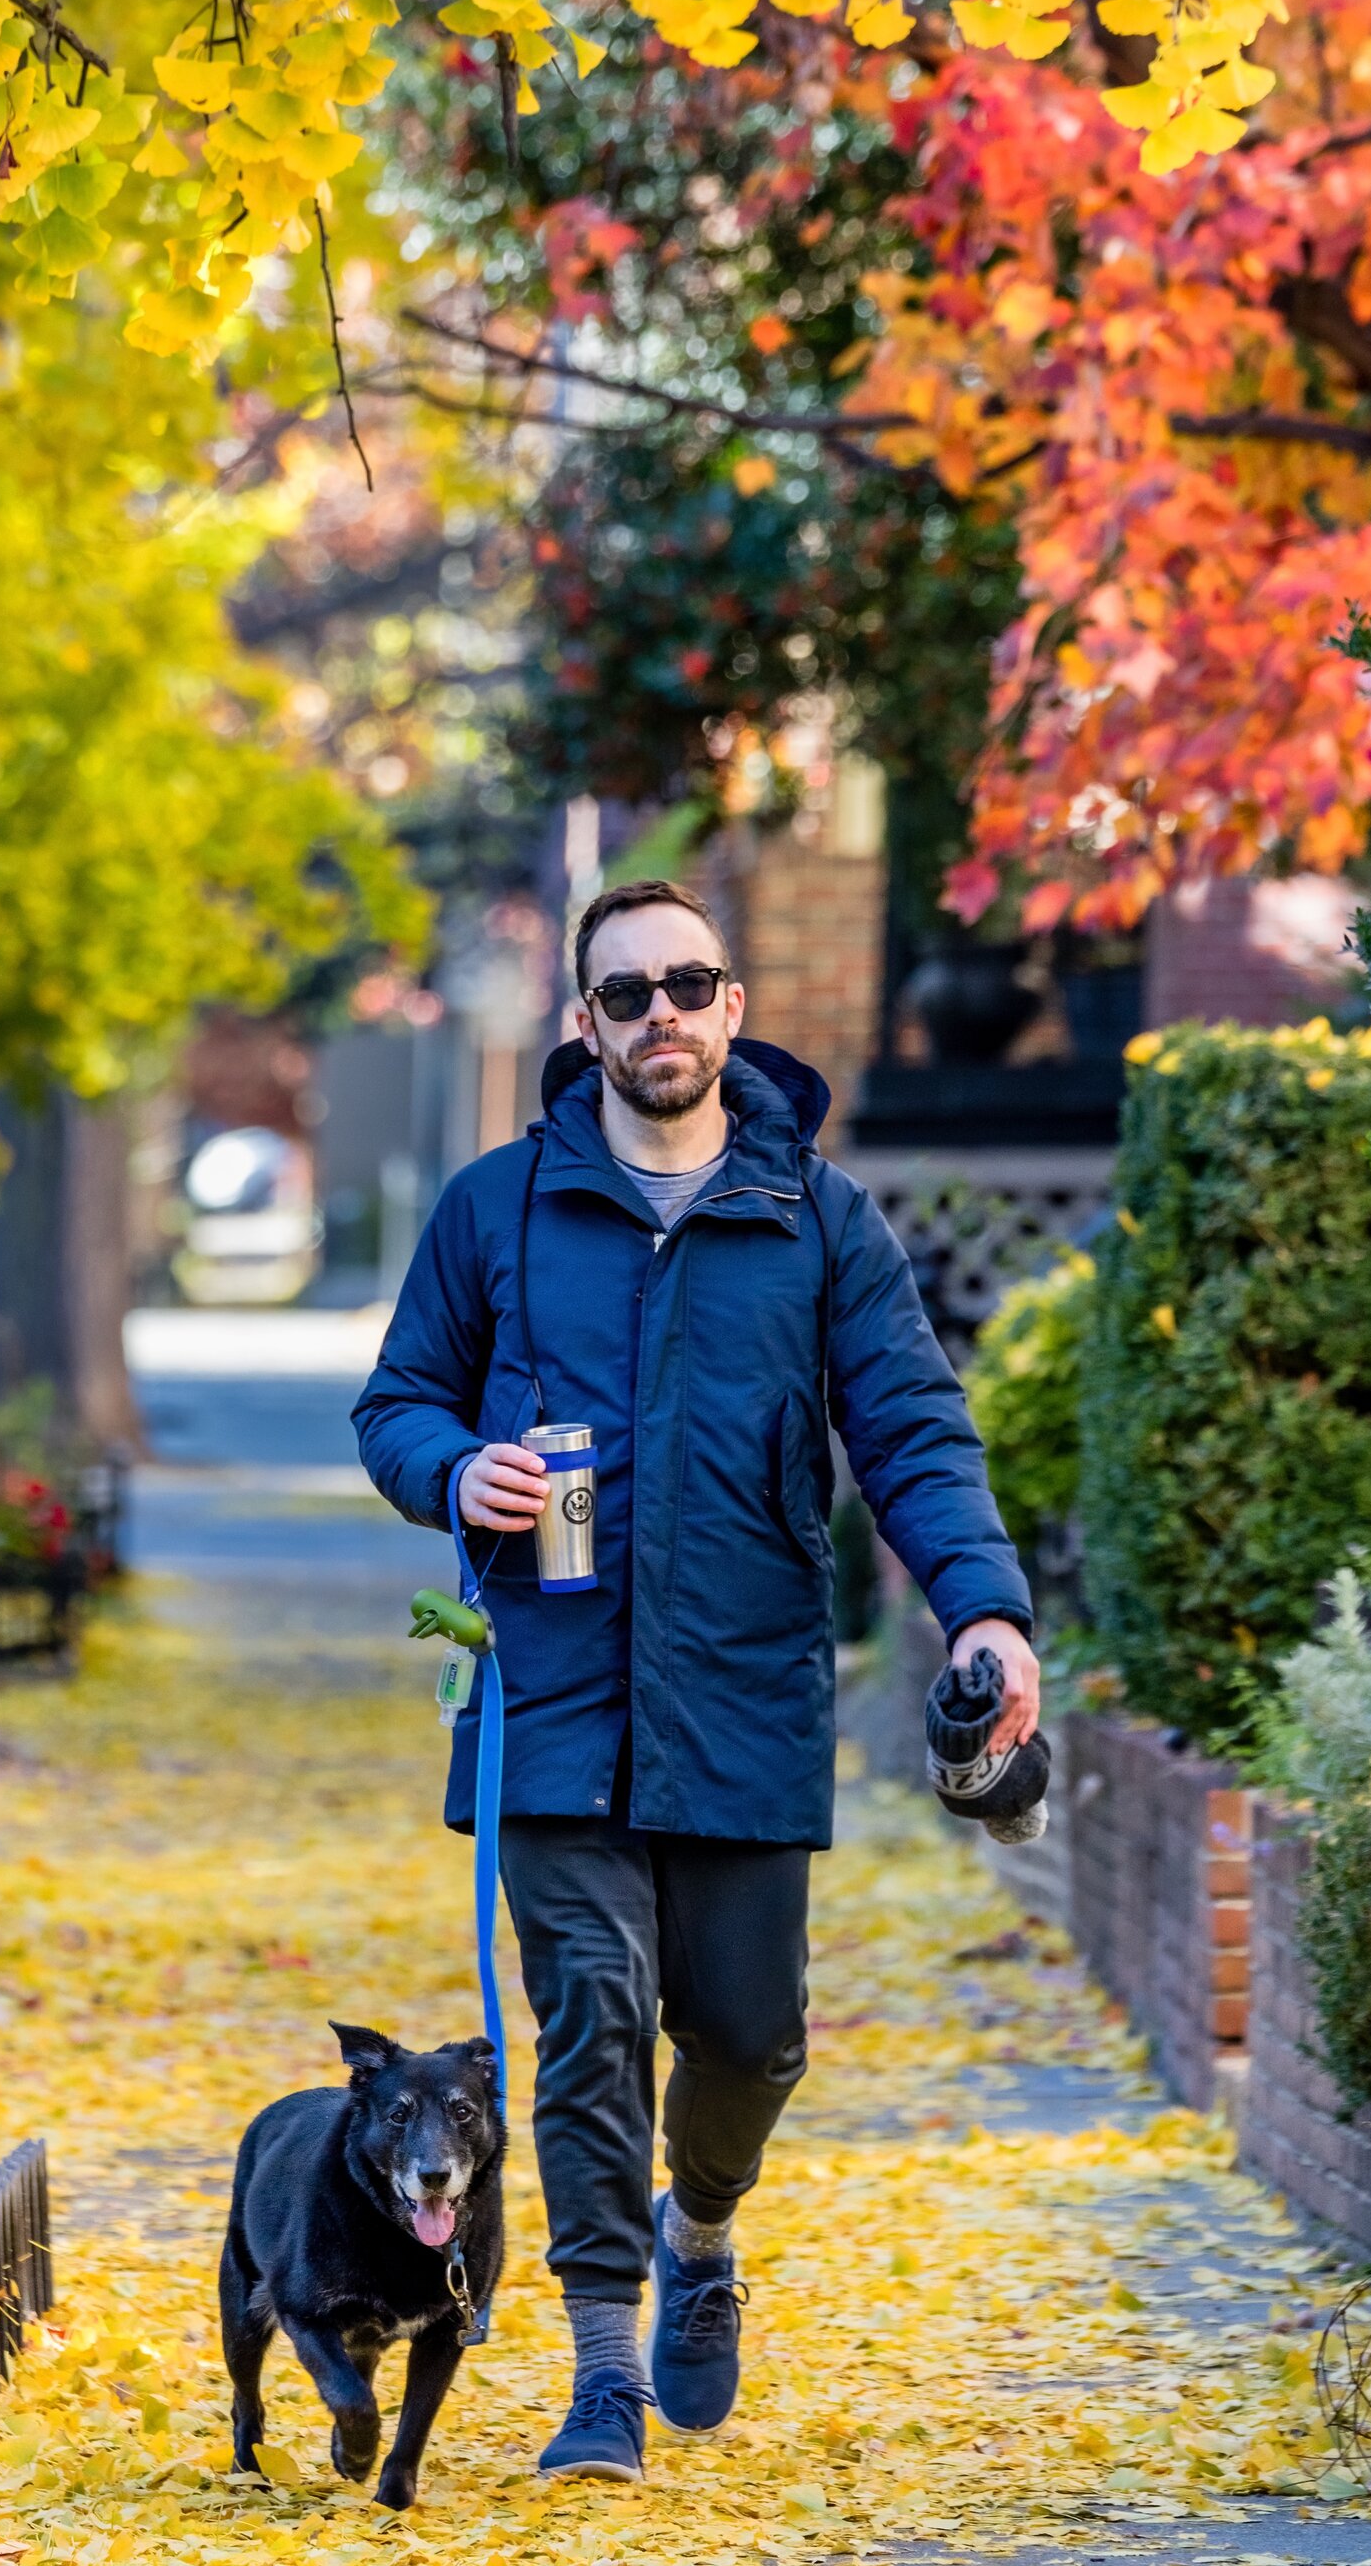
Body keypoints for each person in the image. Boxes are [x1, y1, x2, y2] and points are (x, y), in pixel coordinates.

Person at [352, 879, 1039, 2483]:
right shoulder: (498, 1207)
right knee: (590, 2021)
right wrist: (459, 1473)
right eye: (625, 992)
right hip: (551, 1697)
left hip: (743, 1696)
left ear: (732, 1008)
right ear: (581, 1022)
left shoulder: (820, 1221)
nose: (659, 1013)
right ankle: (601, 2376)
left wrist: (984, 1614)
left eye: (688, 984)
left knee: (748, 2032)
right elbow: (396, 1404)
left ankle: (702, 2226)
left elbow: (915, 1435)